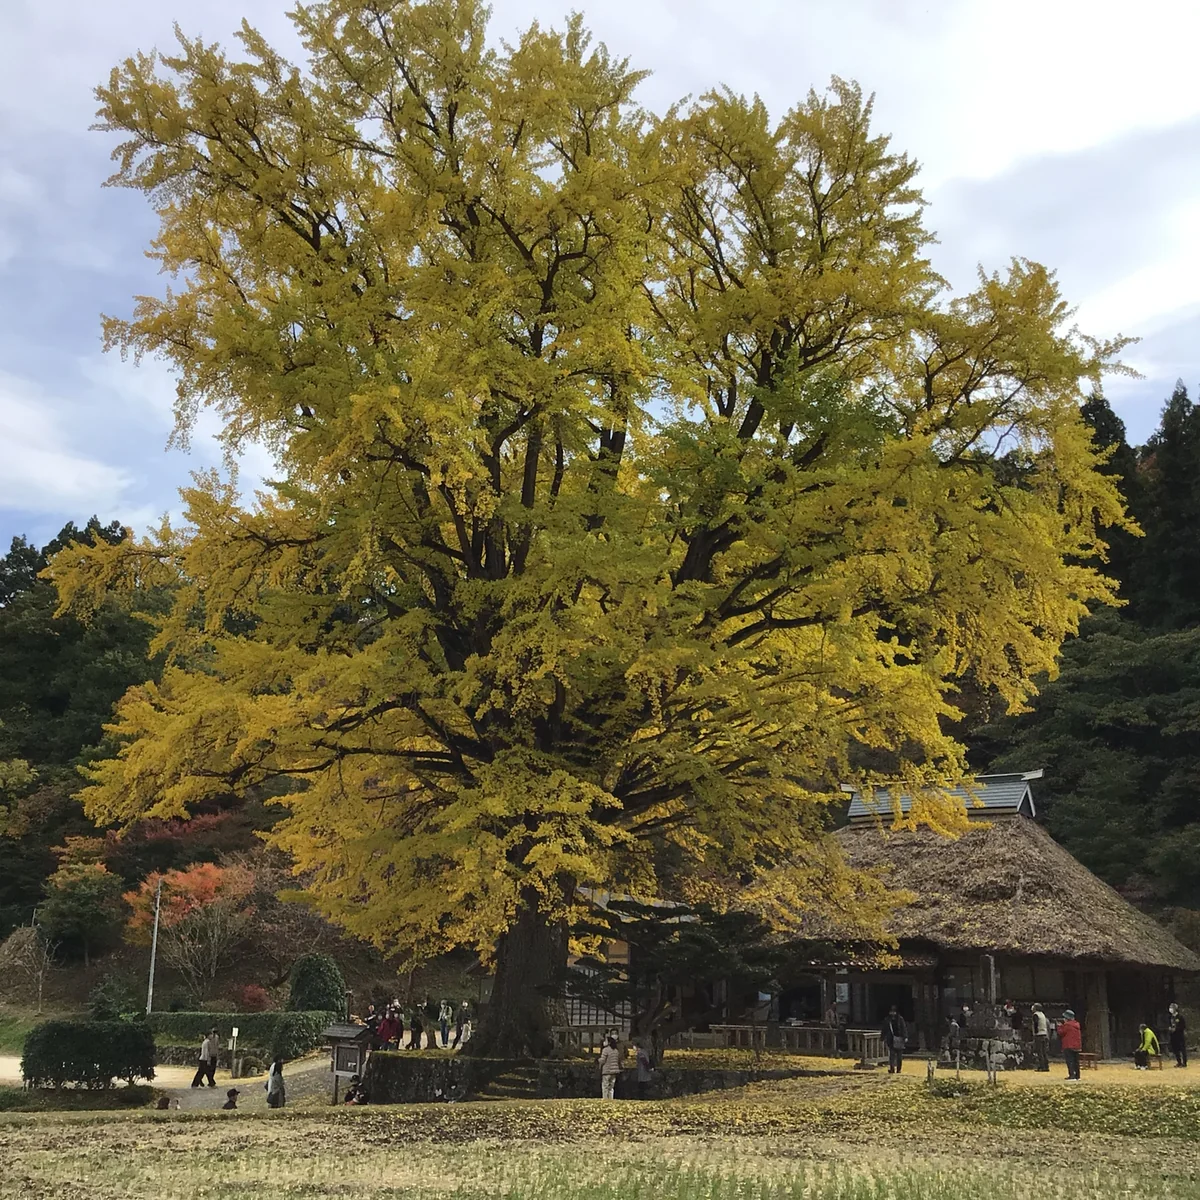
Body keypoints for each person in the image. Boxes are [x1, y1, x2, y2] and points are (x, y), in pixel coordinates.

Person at [881, 1006, 907, 1075]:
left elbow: (903, 1028)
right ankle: (892, 1069)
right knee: (892, 1055)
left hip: (900, 1039)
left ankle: (898, 1069)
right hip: (891, 1039)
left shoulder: (900, 1019)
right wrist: (882, 1037)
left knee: (899, 1056)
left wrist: (905, 1037)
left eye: (894, 1011)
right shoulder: (887, 1020)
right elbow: (884, 1029)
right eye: (891, 1012)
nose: (892, 1013)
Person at [1057, 1009, 1082, 1081]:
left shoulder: (1067, 1025)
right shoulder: (1076, 1025)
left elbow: (1061, 1033)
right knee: (1076, 1061)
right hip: (1077, 1045)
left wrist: (1059, 1026)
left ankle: (1072, 1075)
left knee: (1070, 1061)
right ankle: (1077, 1075)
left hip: (1068, 1045)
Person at [599, 1034, 622, 1100]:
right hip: (614, 1071)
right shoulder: (616, 1050)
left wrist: (598, 1061)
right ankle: (611, 1099)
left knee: (605, 1086)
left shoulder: (605, 1050)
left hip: (607, 1070)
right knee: (611, 1087)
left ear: (608, 1042)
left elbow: (603, 1060)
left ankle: (605, 1098)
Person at [1031, 1004, 1051, 1072]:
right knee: (1044, 1052)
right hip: (1044, 1033)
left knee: (1040, 1052)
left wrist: (1035, 1033)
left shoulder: (1036, 1015)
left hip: (1039, 1035)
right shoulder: (1042, 1014)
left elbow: (1036, 1024)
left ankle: (1042, 1066)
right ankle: (1046, 1066)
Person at [1169, 1003, 1188, 1068]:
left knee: (1182, 1049)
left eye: (1172, 1008)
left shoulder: (1180, 1017)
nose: (1171, 1009)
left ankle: (1184, 1063)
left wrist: (1176, 1029)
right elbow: (1170, 1025)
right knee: (1175, 1049)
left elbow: (1183, 1026)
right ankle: (1179, 1062)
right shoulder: (1171, 1017)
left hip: (1180, 1035)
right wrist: (1170, 1029)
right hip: (1173, 1036)